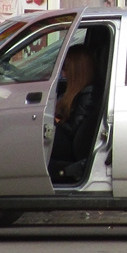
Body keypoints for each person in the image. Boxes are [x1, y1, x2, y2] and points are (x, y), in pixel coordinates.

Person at [49, 44, 98, 183]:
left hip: (72, 146)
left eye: (65, 68)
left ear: (76, 70)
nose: (63, 73)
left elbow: (74, 130)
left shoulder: (89, 93)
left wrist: (55, 122)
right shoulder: (74, 91)